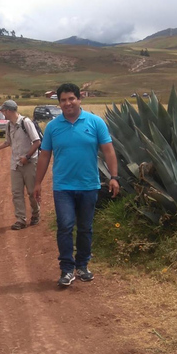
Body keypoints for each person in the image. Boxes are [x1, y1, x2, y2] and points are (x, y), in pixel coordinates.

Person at [33, 83, 120, 287]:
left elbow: (109, 151)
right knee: (65, 225)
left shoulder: (95, 122)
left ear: (80, 99)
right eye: (63, 100)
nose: (67, 103)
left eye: (71, 98)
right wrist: (37, 183)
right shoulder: (53, 127)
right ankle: (66, 269)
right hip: (63, 186)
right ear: (59, 103)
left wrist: (114, 177)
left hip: (89, 184)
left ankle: (82, 266)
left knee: (85, 228)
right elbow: (44, 156)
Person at [0, 99, 42, 230]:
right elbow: (7, 142)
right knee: (16, 192)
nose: (2, 113)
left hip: (29, 163)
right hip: (15, 164)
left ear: (9, 111)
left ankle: (36, 213)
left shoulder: (26, 122)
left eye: (3, 110)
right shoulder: (8, 125)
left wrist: (27, 156)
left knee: (31, 192)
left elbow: (37, 142)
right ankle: (20, 219)